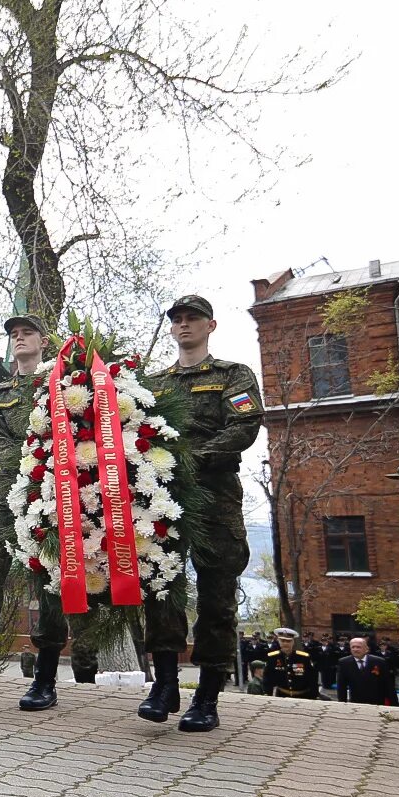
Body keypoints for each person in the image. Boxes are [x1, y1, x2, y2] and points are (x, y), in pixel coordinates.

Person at [141, 295, 264, 731]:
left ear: (211, 325)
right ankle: (166, 684)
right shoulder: (153, 385)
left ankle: (208, 696)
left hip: (213, 493)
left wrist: (195, 459)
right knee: (161, 587)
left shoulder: (233, 375)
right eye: (177, 320)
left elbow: (245, 425)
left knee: (216, 593)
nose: (184, 325)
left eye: (193, 318)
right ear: (172, 329)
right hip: (161, 497)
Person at [336, 636, 399, 706]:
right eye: (353, 647)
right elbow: (341, 686)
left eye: (358, 647)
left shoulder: (379, 662)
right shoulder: (344, 663)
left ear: (366, 649)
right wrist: (342, 705)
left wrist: (394, 705)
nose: (355, 649)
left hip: (377, 702)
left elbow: (388, 685)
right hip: (356, 703)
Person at [261, 627, 320, 699]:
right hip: (282, 696)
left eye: (288, 641)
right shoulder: (272, 657)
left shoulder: (304, 657)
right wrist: (267, 695)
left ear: (293, 642)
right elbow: (267, 679)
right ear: (278, 641)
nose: (285, 643)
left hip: (303, 696)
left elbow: (312, 679)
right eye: (282, 641)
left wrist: (314, 696)